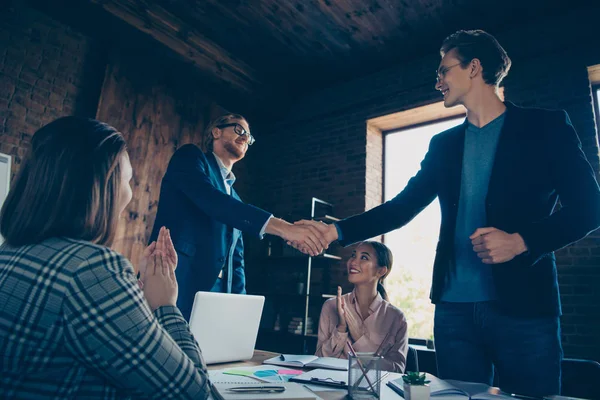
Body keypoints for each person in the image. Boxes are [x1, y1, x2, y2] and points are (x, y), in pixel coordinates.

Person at [296, 30, 600, 396]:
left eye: (443, 71)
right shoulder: (444, 145)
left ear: (474, 68)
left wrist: (522, 241)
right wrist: (335, 232)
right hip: (454, 313)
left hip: (524, 310)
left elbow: (589, 208)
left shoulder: (546, 128)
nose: (437, 81)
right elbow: (402, 207)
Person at [0, 117, 211, 399]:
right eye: (127, 180)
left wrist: (129, 303)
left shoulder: (9, 253)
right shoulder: (91, 268)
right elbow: (193, 392)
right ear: (100, 188)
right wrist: (164, 304)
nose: (129, 193)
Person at [149, 113, 328, 320]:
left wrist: (239, 307)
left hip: (218, 295)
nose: (245, 138)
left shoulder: (235, 198)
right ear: (216, 131)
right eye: (239, 130)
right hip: (179, 280)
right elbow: (211, 200)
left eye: (249, 136)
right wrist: (285, 228)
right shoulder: (190, 157)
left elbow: (236, 259)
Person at [316, 241, 408, 373]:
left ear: (381, 271)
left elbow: (397, 370)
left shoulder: (396, 318)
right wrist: (341, 329)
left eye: (364, 257)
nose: (353, 262)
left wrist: (358, 335)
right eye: (353, 255)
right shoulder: (330, 306)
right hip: (330, 384)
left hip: (374, 391)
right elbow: (318, 360)